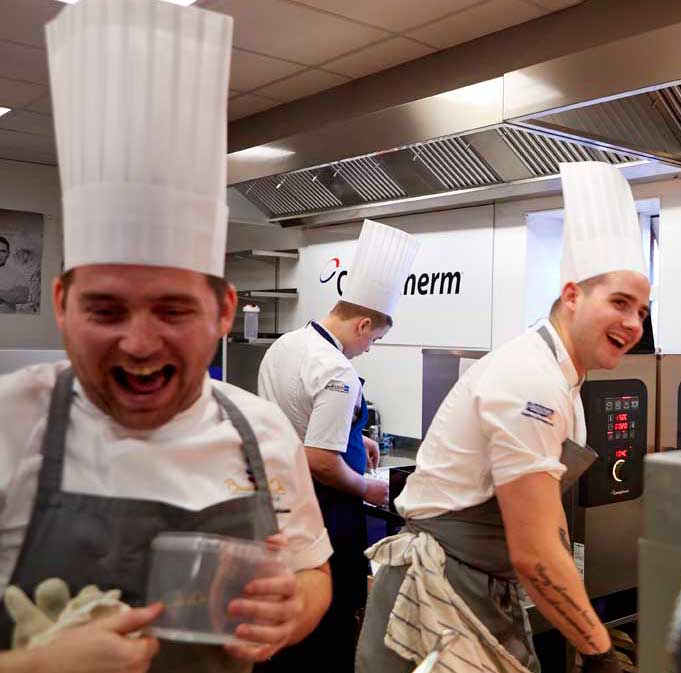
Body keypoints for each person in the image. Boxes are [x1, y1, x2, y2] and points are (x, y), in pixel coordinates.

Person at [0, 1, 333, 671]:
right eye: (106, 309)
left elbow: (311, 573)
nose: (140, 343)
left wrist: (293, 611)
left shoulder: (265, 433)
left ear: (222, 309)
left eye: (174, 310)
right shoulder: (10, 420)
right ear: (61, 304)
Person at [356, 162, 649, 673]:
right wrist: (598, 649)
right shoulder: (530, 379)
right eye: (621, 302)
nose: (633, 323)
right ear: (573, 296)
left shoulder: (565, 380)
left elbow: (548, 517)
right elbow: (534, 553)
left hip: (480, 586)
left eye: (642, 311)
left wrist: (581, 620)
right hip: (438, 596)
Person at [257, 219, 419, 671]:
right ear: (363, 323)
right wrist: (368, 489)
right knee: (326, 625)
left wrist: (356, 436)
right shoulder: (337, 370)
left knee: (287, 618)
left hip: (279, 503)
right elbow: (321, 461)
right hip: (324, 511)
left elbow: (294, 419)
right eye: (375, 339)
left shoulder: (286, 345)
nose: (369, 349)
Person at [0, 237, 31, 313]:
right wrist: (8, 294)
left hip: (8, 321)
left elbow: (23, 296)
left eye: (2, 251)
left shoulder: (15, 274)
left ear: (8, 253)